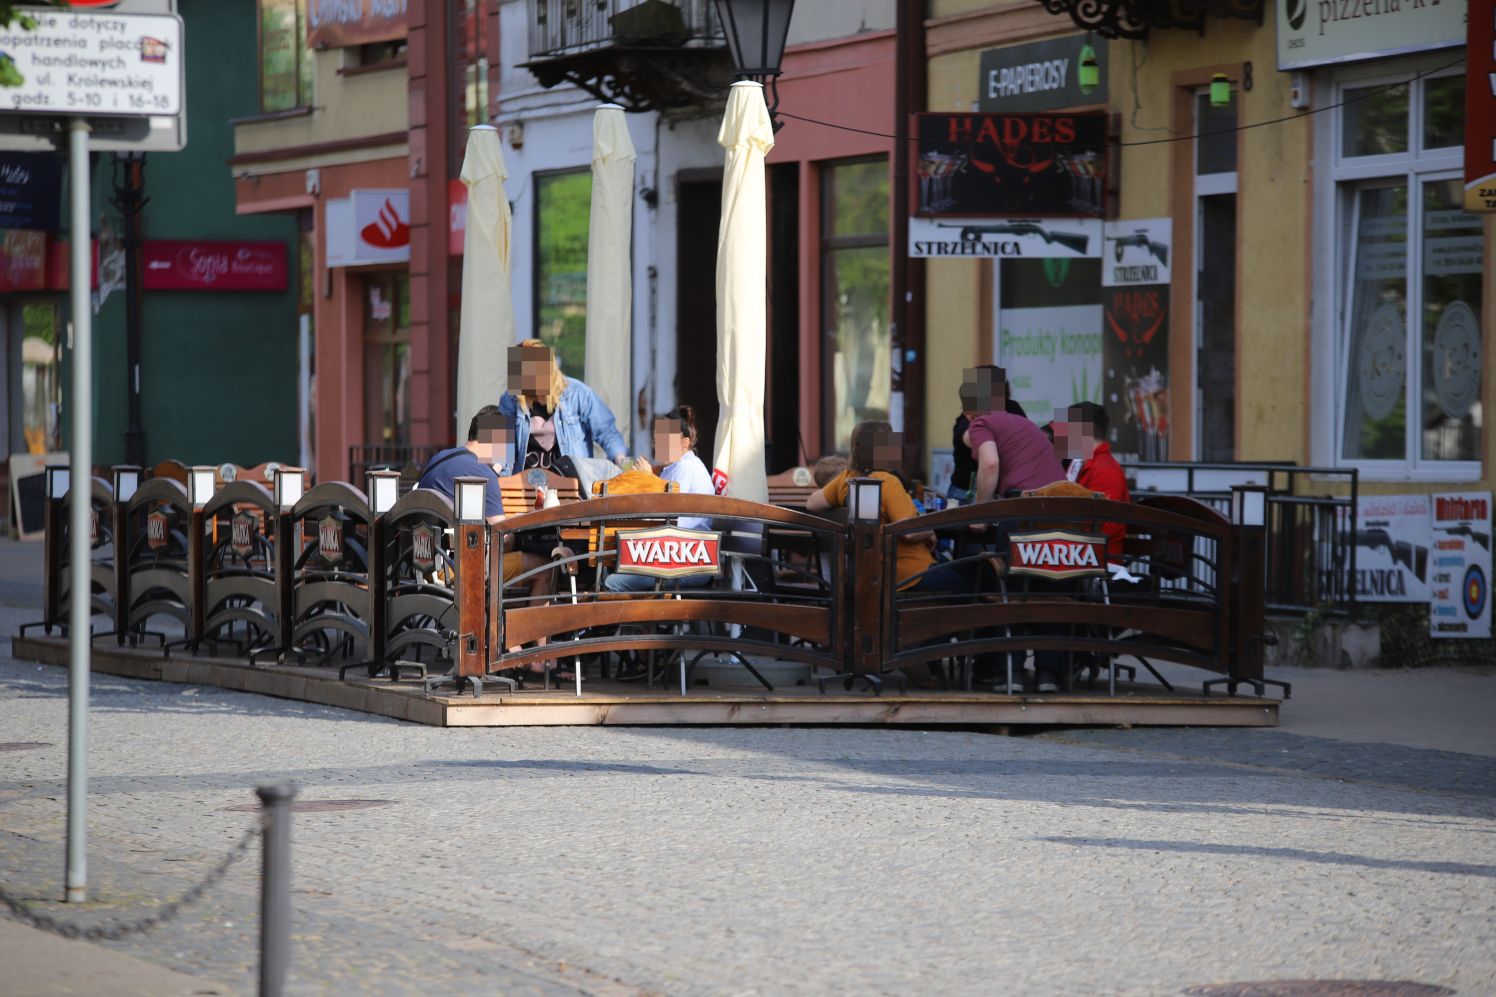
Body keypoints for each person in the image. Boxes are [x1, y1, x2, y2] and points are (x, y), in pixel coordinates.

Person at [416, 405, 555, 671]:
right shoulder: (482, 474)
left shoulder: (439, 459)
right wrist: (520, 537)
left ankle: (513, 645)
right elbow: (500, 537)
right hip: (464, 571)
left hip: (428, 563)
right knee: (543, 567)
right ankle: (536, 655)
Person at [807, 422, 964, 593]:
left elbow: (811, 503)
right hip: (906, 575)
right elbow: (909, 532)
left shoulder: (845, 479)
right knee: (970, 580)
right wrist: (929, 530)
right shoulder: (888, 482)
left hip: (869, 575)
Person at [497, 339, 629, 496]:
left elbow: (608, 433)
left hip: (571, 490)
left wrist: (626, 466)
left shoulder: (579, 394)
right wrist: (496, 476)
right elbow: (499, 447)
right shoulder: (510, 398)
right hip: (525, 489)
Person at [606, 406, 716, 594]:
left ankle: (639, 622)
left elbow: (664, 514)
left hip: (688, 559)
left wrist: (647, 479)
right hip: (676, 553)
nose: (659, 446)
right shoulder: (673, 467)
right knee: (612, 564)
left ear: (685, 442)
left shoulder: (686, 468)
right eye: (657, 441)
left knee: (612, 581)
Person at [1054, 401, 1131, 563]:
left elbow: (1104, 528)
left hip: (1093, 563)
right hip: (1080, 558)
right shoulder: (1084, 464)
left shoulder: (1105, 470)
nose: (1059, 436)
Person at [950, 365, 1028, 501]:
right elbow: (974, 439)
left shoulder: (1012, 408)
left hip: (1005, 493)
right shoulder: (966, 419)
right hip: (966, 493)